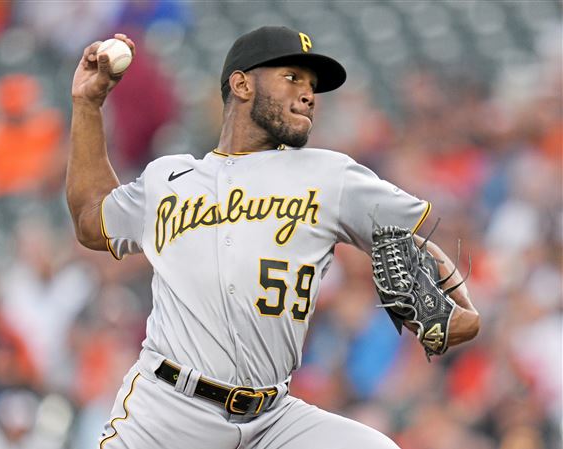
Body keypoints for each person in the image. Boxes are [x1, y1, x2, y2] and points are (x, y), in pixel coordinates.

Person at [68, 26, 480, 449]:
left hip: (273, 420)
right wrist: (88, 104)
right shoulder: (168, 179)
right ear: (242, 84)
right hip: (168, 413)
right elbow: (89, 218)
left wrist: (461, 310)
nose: (308, 94)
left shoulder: (331, 176)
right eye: (292, 77)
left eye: (312, 86)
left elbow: (413, 243)